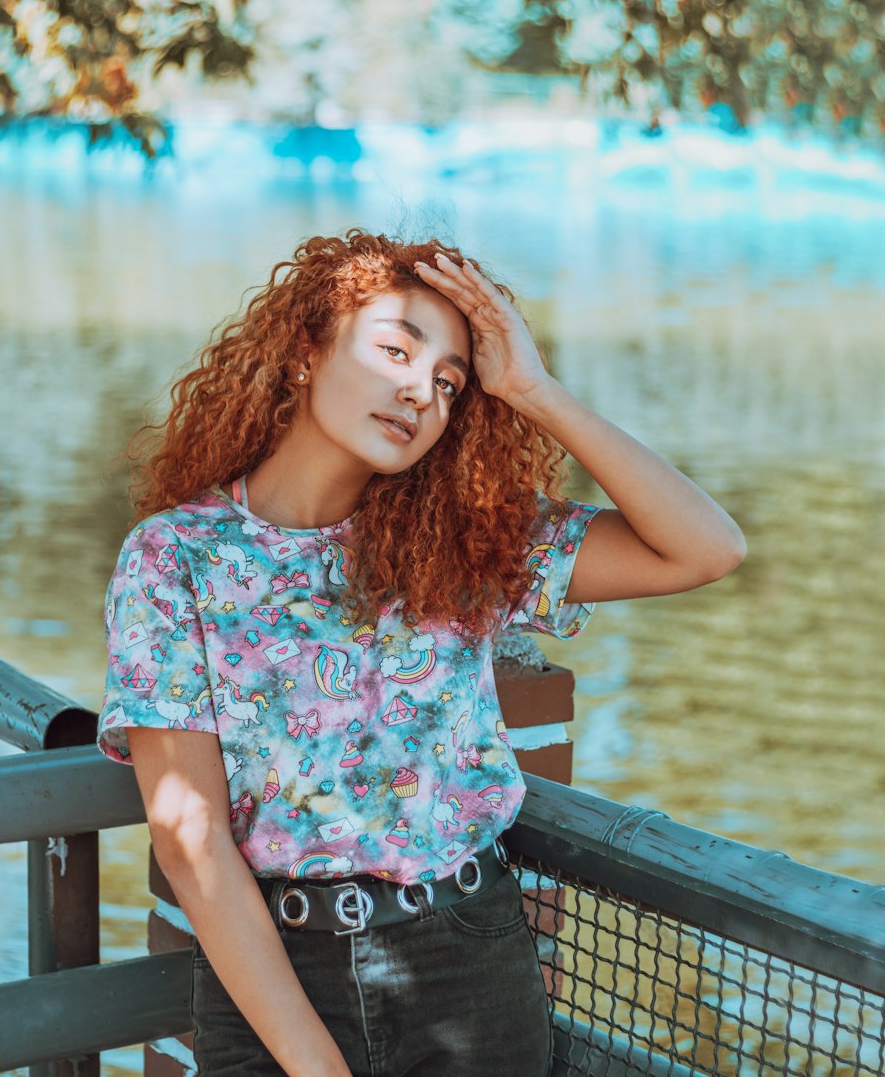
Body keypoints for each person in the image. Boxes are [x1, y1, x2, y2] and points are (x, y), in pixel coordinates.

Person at [97, 230, 745, 1077]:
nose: (418, 392)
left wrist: (535, 390)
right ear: (305, 352)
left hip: (467, 968)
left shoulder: (466, 545)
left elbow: (706, 549)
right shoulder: (173, 555)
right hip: (273, 982)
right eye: (395, 349)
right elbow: (191, 838)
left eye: (448, 383)